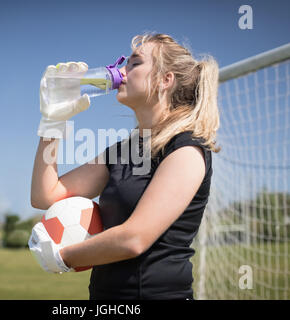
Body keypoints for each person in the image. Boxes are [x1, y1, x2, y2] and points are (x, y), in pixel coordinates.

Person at [30, 32, 220, 300]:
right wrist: (52, 122)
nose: (120, 72)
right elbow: (45, 195)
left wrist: (62, 257)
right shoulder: (121, 151)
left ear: (166, 80)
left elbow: (134, 238)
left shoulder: (186, 149)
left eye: (134, 63)